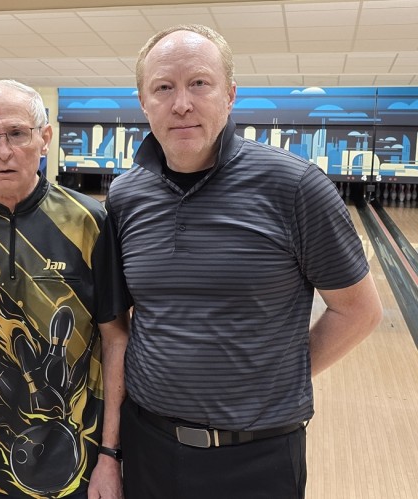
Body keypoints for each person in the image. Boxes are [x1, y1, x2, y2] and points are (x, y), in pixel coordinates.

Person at [106, 24, 383, 499]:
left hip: (258, 457)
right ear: (143, 102)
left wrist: (279, 379)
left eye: (199, 83)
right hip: (147, 445)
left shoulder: (296, 187)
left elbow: (359, 310)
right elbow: (119, 324)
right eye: (164, 88)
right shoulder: (124, 195)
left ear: (230, 94)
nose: (181, 103)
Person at [0, 80, 131, 499]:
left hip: (78, 469)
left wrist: (110, 456)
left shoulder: (89, 222)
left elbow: (115, 340)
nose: (3, 151)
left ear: (45, 137)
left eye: (17, 133)